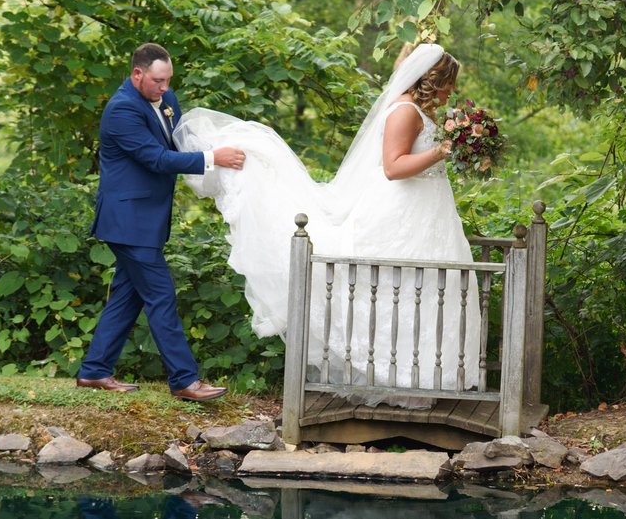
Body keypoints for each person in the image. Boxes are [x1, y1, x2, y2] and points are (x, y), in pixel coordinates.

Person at [173, 44, 480, 396]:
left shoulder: (419, 113)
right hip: (401, 211)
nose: (452, 91)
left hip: (427, 215)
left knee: (423, 288)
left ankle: (422, 382)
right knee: (400, 286)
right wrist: (443, 150)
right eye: (449, 82)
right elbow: (394, 167)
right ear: (434, 79)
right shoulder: (404, 111)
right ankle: (401, 381)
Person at [76, 42, 246, 401]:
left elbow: (181, 141)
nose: (165, 88)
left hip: (144, 221)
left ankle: (94, 372)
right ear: (137, 74)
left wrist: (218, 147)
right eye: (157, 81)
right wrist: (212, 158)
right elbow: (155, 158)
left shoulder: (165, 100)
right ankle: (185, 380)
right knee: (161, 296)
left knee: (127, 297)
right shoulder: (121, 110)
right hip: (127, 220)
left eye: (168, 80)